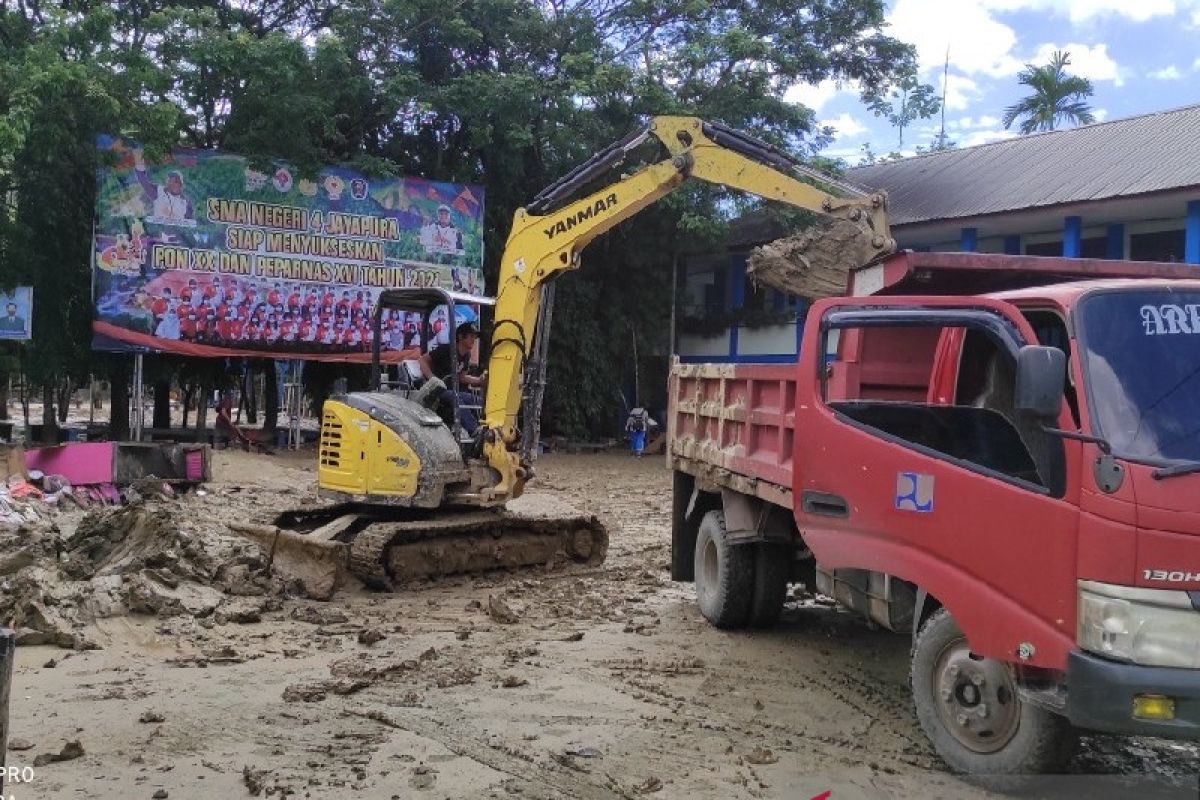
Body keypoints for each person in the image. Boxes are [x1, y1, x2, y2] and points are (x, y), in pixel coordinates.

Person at [419, 321, 485, 434]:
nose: (474, 339)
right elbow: (423, 360)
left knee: (477, 400)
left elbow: (462, 377)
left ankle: (485, 428)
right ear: (460, 337)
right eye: (471, 336)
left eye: (475, 336)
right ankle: (474, 430)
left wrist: (479, 380)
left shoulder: (466, 355)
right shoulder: (446, 350)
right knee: (456, 398)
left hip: (453, 390)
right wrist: (432, 378)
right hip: (439, 390)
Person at [134, 150, 194, 224]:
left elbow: (190, 222)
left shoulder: (186, 201)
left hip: (178, 233)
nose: (172, 184)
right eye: (170, 181)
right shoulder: (158, 191)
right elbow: (143, 180)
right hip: (159, 232)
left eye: (175, 181)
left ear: (181, 184)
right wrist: (139, 163)